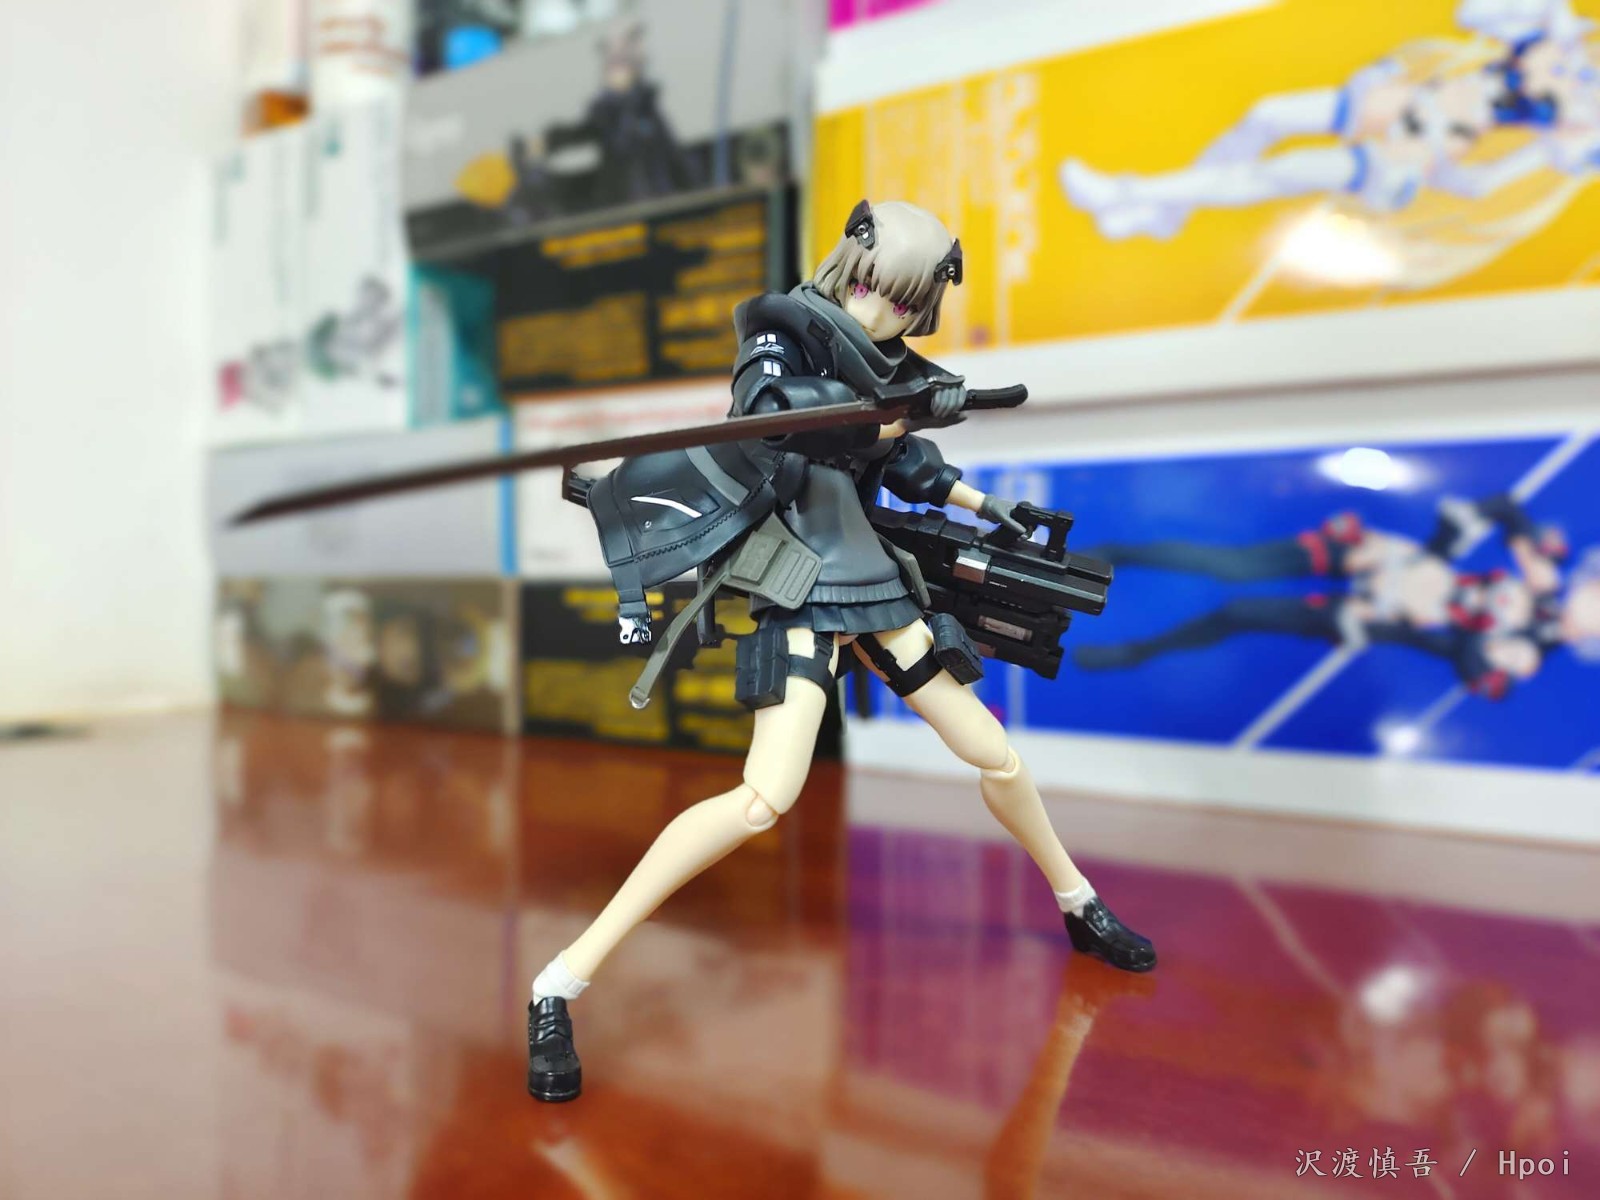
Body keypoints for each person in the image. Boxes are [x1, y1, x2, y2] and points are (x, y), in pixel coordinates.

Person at [526, 200, 1157, 1104]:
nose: (880, 310)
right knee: (762, 800)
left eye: (903, 303)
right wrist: (887, 418)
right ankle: (559, 981)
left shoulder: (890, 375)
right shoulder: (780, 334)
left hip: (876, 586)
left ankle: (1077, 902)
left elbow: (912, 468)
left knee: (995, 755)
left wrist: (990, 506)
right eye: (872, 288)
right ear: (846, 267)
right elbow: (772, 416)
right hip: (797, 589)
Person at [1061, 0, 1600, 243]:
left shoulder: (1572, 124)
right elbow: (1475, 13)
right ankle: (1164, 213)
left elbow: (1485, 183)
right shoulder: (1556, 37)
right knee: (1268, 113)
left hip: (1410, 151)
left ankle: (1128, 193)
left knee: (1280, 172)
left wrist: (1434, 164)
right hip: (1398, 99)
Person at [1075, 492, 1600, 703]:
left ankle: (1137, 652)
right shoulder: (1546, 576)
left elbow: (1474, 671)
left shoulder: (1529, 651)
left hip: (1369, 614)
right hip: (1383, 560)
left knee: (1238, 612)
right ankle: (1117, 553)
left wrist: (1490, 646)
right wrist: (1512, 546)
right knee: (1231, 565)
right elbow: (1499, 508)